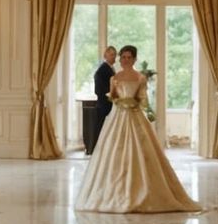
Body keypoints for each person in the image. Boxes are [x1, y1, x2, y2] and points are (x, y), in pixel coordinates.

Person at [75, 45, 201, 213]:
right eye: (123, 57)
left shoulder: (140, 78)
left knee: (143, 152)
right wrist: (119, 100)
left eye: (129, 57)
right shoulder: (115, 78)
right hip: (118, 116)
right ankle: (114, 191)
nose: (126, 60)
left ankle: (143, 190)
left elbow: (143, 100)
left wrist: (144, 109)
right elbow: (112, 97)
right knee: (113, 153)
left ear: (134, 59)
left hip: (135, 116)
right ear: (120, 59)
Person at [89, 46, 117, 155]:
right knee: (101, 127)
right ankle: (98, 151)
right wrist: (111, 95)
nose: (114, 57)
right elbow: (99, 89)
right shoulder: (102, 69)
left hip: (108, 103)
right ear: (105, 55)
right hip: (104, 104)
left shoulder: (109, 68)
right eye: (111, 55)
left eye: (115, 55)